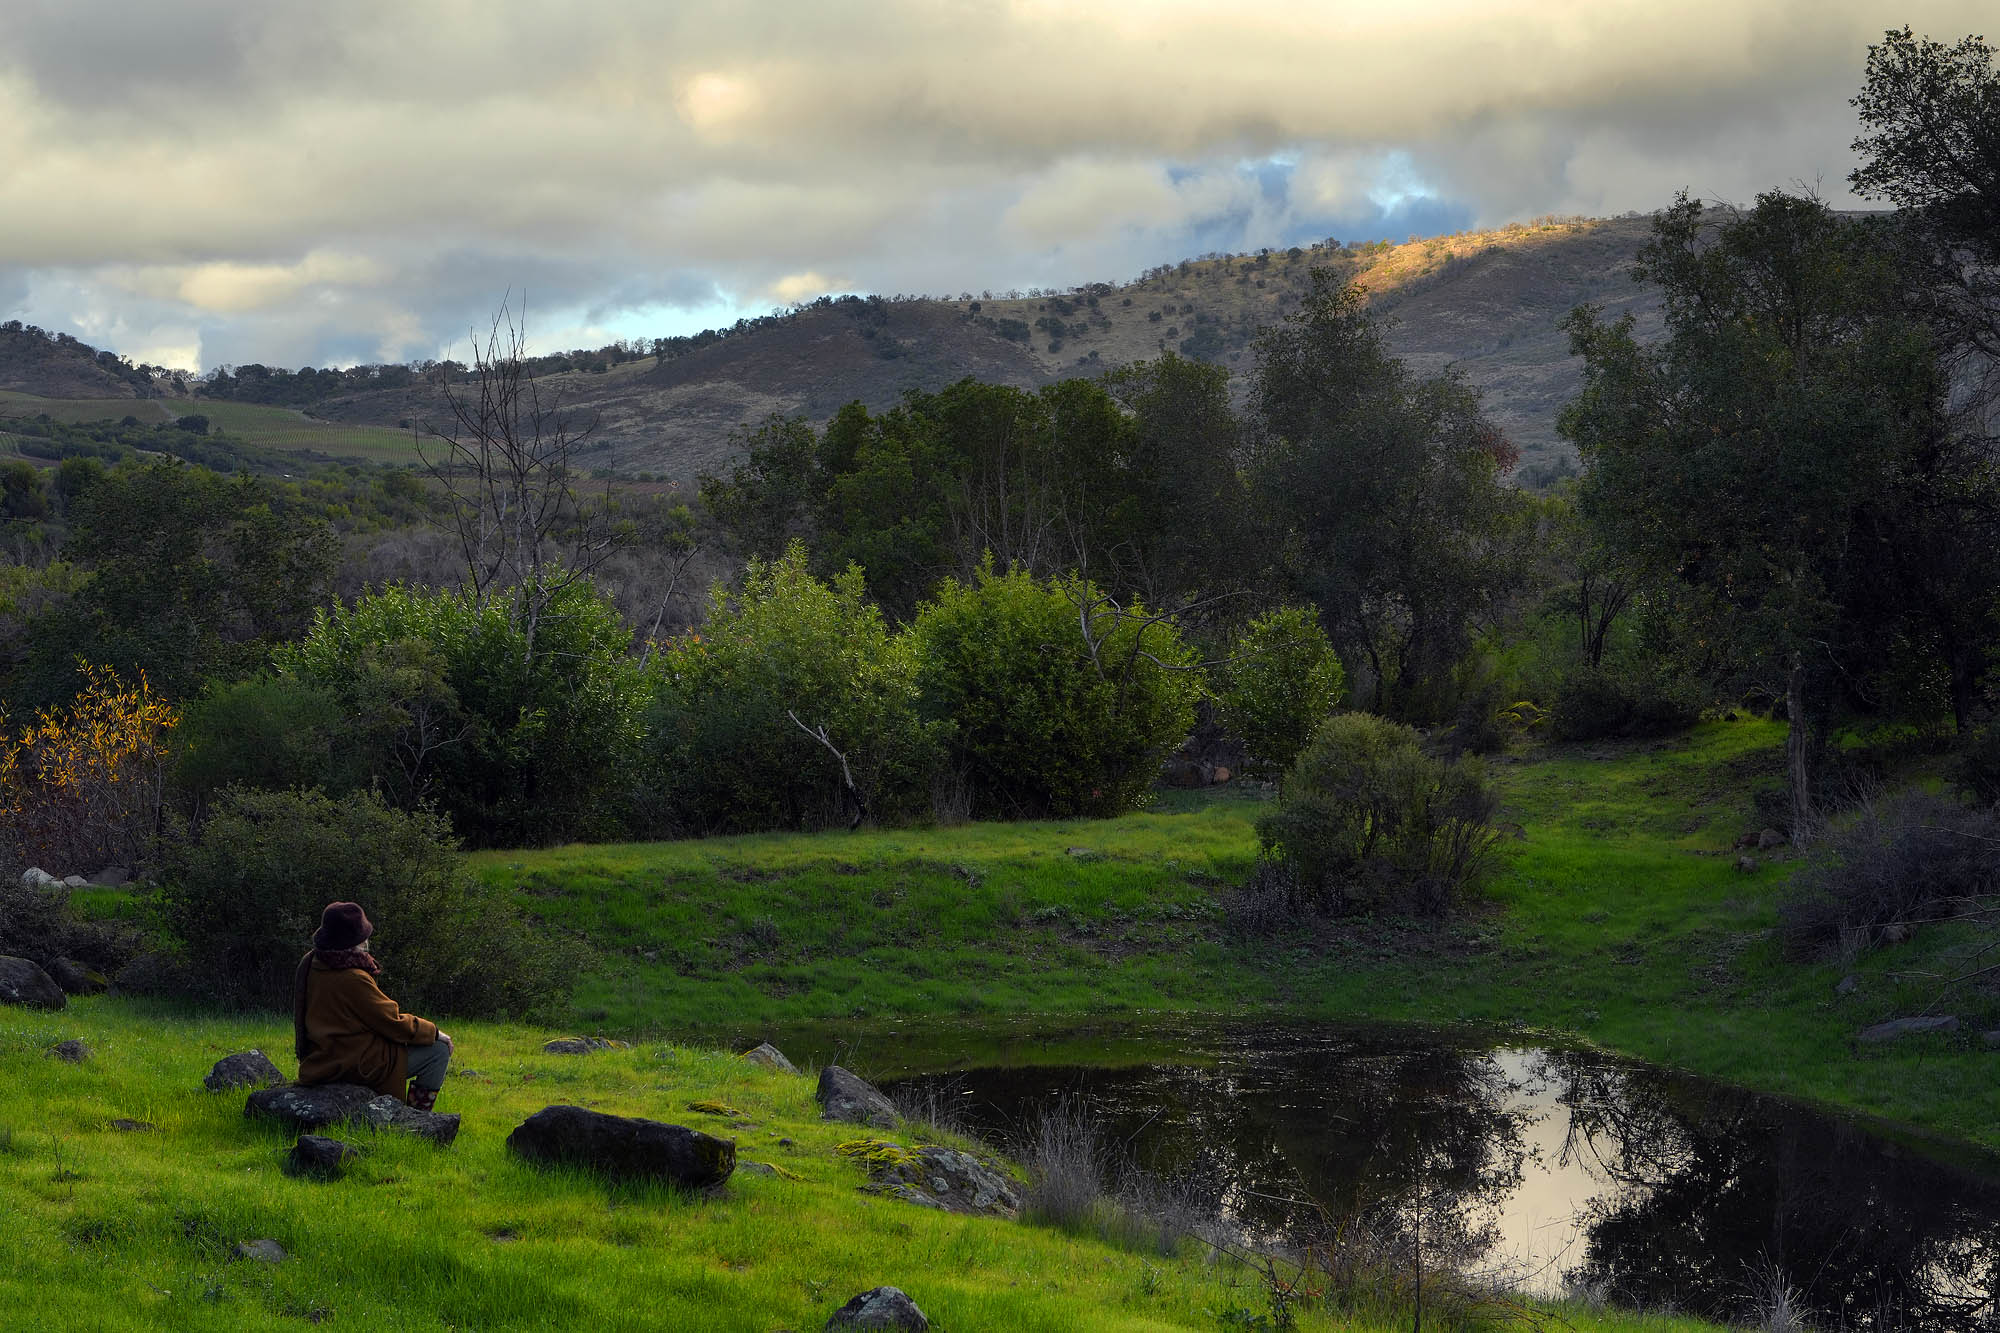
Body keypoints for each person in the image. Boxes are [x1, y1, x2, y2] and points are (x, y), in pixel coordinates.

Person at [293, 901, 452, 1111]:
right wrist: (434, 1032)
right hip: (354, 1061)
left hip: (321, 1058)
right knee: (438, 1052)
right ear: (356, 940)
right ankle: (416, 1117)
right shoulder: (353, 977)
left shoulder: (311, 961)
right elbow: (392, 1022)